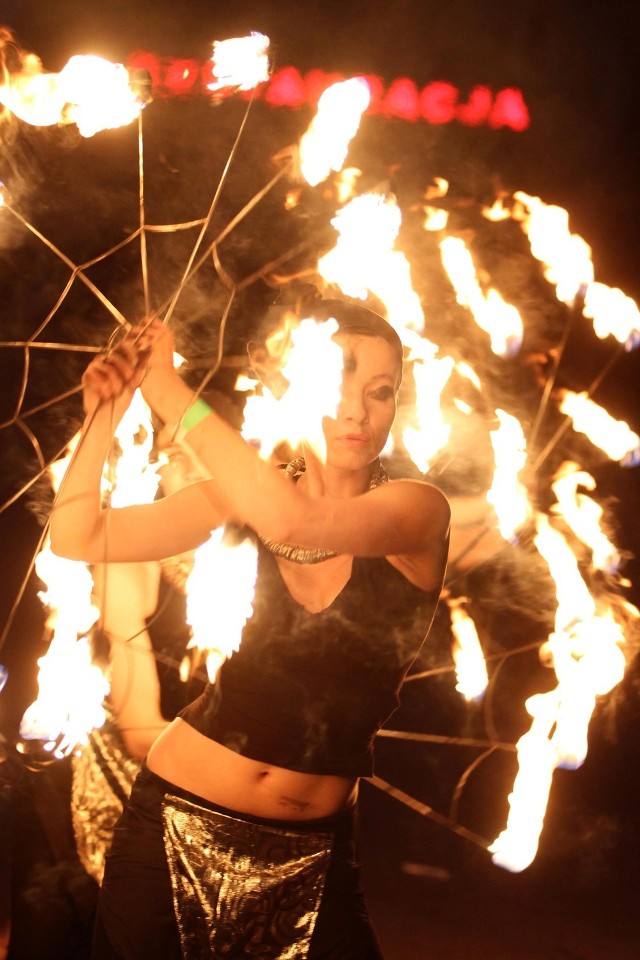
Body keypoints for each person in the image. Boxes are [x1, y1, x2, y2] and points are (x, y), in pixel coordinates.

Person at [50, 289, 450, 960]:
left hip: (316, 861)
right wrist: (105, 418)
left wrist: (169, 391)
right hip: (171, 827)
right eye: (339, 381)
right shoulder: (243, 492)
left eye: (380, 391)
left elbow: (295, 521)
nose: (356, 410)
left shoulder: (416, 511)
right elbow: (78, 534)